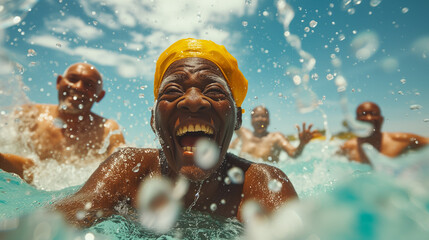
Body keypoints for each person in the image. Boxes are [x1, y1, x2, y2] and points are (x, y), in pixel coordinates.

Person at [52, 38, 298, 228]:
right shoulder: (128, 170)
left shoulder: (260, 185)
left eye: (213, 91)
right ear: (153, 119)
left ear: (237, 118)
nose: (192, 101)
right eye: (172, 91)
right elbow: (58, 221)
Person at [0, 63, 125, 181]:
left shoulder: (107, 129)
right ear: (59, 82)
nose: (78, 87)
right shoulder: (28, 114)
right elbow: (28, 166)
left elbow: (123, 161)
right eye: (73, 79)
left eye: (89, 85)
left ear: (99, 96)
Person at [339, 101, 429, 164]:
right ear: (356, 121)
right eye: (363, 114)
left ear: (381, 120)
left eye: (373, 113)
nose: (369, 118)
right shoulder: (347, 147)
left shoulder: (401, 140)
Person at [229, 105, 317, 162]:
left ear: (269, 120)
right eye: (256, 116)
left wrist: (301, 144)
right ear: (251, 120)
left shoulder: (276, 138)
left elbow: (293, 154)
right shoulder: (243, 133)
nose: (260, 119)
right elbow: (227, 121)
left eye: (264, 116)